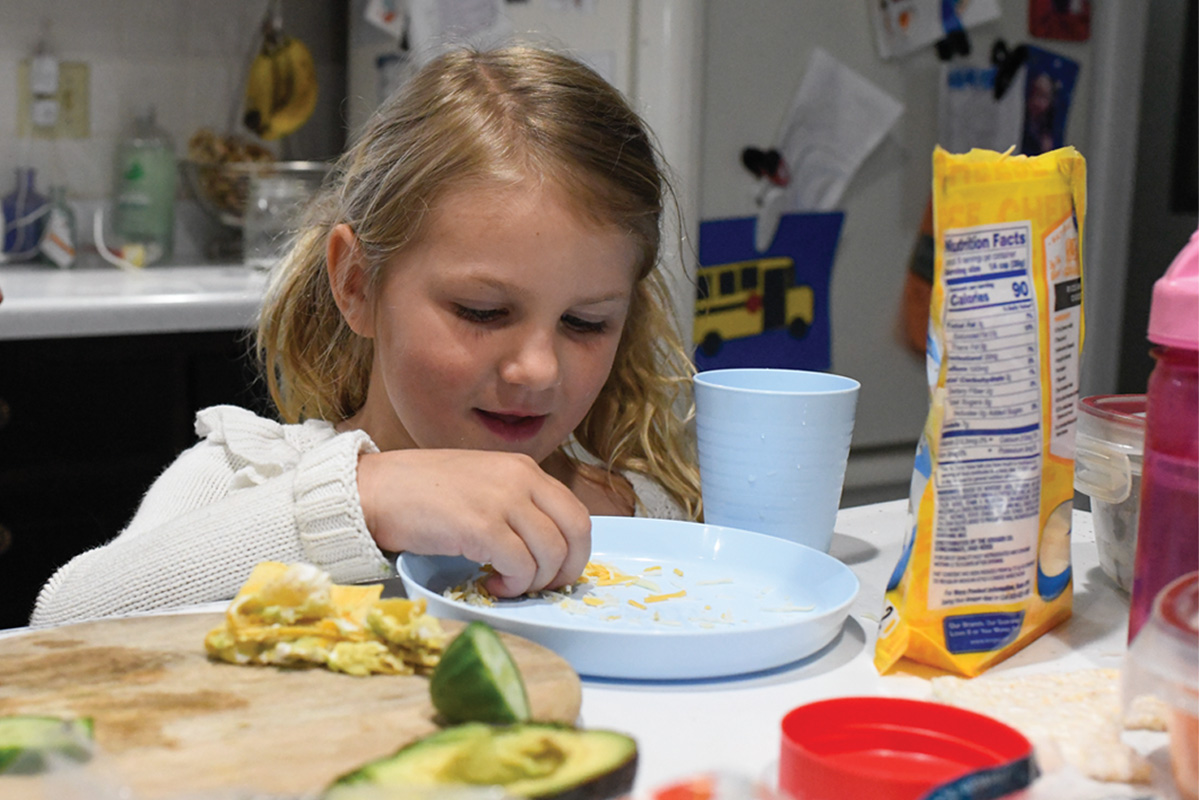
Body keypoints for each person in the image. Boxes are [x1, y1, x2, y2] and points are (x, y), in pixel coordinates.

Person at [31, 46, 701, 627]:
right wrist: (364, 500)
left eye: (585, 323)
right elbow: (60, 625)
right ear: (357, 285)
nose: (536, 370)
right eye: (481, 311)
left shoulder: (643, 518)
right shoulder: (245, 481)